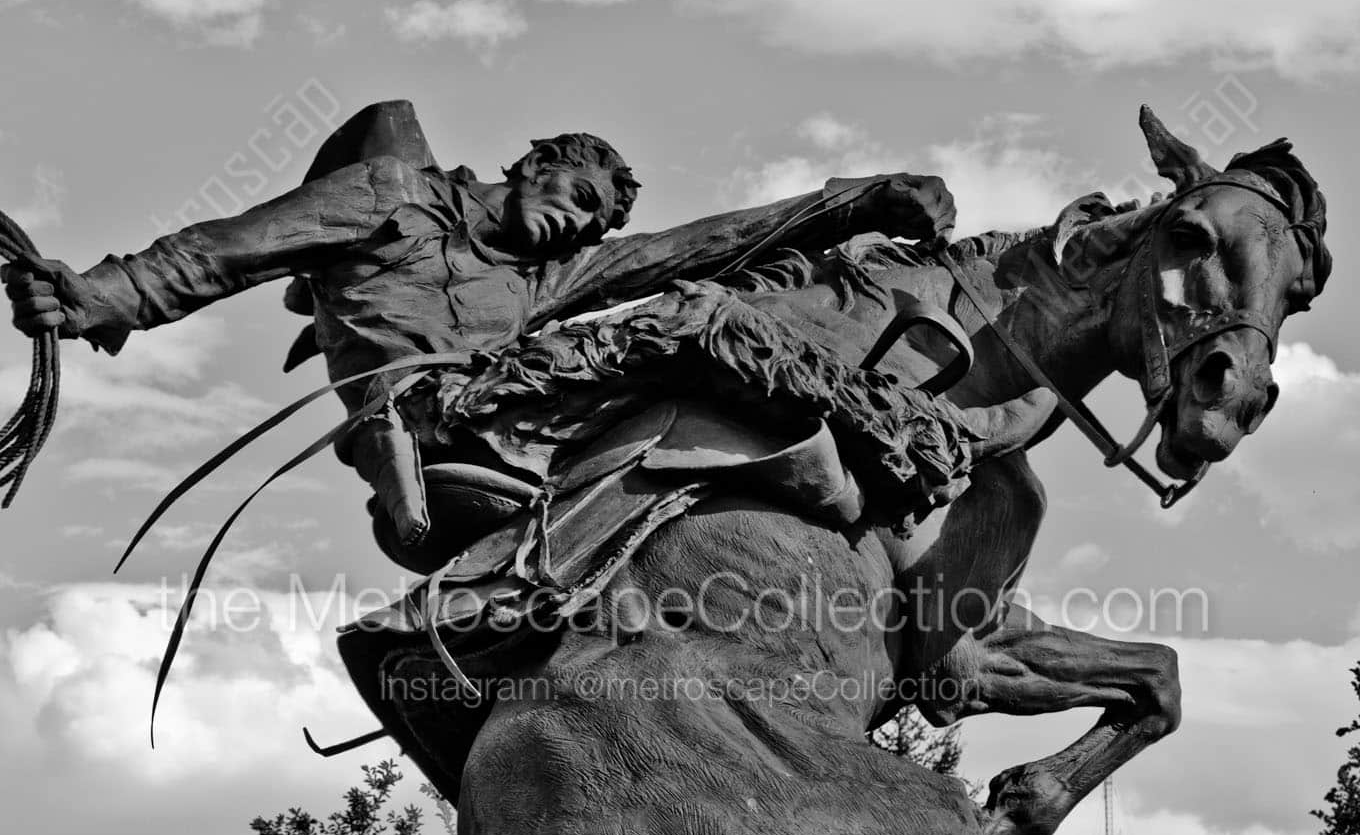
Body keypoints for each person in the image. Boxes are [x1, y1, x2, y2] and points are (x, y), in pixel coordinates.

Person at [4, 101, 959, 561]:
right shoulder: (391, 199)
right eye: (580, 196)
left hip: (529, 417)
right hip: (428, 412)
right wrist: (96, 297)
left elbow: (701, 244)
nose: (584, 225)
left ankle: (861, 453)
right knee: (698, 322)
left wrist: (858, 205)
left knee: (713, 316)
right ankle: (864, 453)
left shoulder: (552, 273)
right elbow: (222, 250)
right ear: (535, 161)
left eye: (597, 223)